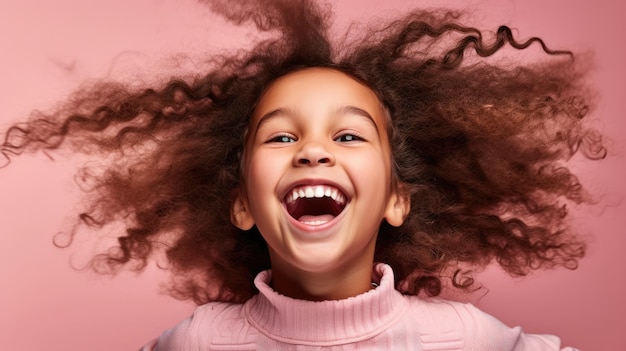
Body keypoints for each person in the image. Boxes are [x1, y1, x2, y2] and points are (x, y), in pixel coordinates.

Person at [0, 0, 605, 350]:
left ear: (397, 199)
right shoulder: (199, 343)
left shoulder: (467, 340)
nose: (312, 152)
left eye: (346, 135)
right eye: (283, 136)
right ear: (241, 203)